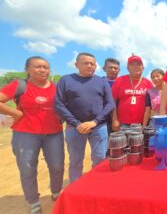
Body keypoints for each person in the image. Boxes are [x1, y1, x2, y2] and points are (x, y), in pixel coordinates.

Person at [0, 56, 64, 214]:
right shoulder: (19, 85)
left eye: (46, 67)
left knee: (57, 166)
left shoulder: (56, 86)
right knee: (28, 168)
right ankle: (33, 201)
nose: (43, 70)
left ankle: (56, 192)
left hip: (54, 134)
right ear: (27, 69)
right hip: (25, 134)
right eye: (38, 67)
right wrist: (15, 113)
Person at [55, 52, 114, 183]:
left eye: (92, 64)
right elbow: (58, 104)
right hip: (74, 128)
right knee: (76, 161)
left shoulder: (101, 82)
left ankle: (97, 185)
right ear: (76, 64)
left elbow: (110, 103)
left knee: (100, 158)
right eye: (85, 63)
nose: (89, 66)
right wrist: (77, 124)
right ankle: (75, 188)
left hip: (98, 127)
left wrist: (94, 121)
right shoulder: (66, 80)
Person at [111, 55, 153, 130]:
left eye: (138, 65)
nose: (135, 67)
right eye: (132, 65)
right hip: (122, 123)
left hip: (142, 124)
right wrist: (114, 119)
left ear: (142, 68)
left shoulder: (148, 83)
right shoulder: (119, 81)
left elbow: (152, 105)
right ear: (128, 68)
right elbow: (112, 101)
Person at [102, 58, 120, 134]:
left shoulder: (123, 82)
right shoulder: (99, 82)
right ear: (104, 68)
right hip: (102, 119)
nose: (113, 70)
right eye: (110, 67)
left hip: (120, 119)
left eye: (115, 68)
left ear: (119, 70)